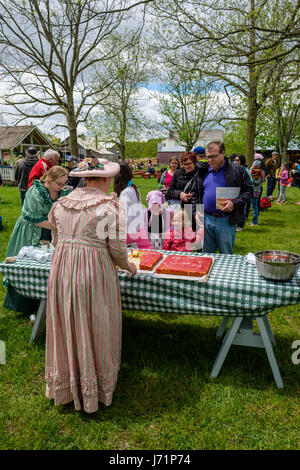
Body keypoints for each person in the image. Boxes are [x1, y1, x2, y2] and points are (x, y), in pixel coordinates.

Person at [45, 158, 137, 413]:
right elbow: (117, 249)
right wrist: (127, 265)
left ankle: (67, 384)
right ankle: (92, 386)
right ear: (107, 179)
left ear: (86, 179)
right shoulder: (110, 205)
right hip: (93, 270)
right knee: (96, 321)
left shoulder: (61, 203)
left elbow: (55, 239)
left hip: (62, 268)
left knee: (68, 320)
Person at [4, 166, 69, 314]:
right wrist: (59, 227)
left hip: (48, 229)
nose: (61, 187)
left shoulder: (61, 192)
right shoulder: (35, 192)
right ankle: (24, 306)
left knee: (46, 263)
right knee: (27, 263)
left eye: (64, 183)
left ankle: (45, 303)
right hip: (31, 230)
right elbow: (35, 220)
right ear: (49, 180)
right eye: (59, 183)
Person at [191, 141, 253, 254]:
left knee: (226, 254)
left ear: (223, 153)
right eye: (208, 157)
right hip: (206, 219)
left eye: (214, 156)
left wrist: (234, 203)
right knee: (207, 255)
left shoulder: (237, 170)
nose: (210, 160)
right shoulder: (202, 172)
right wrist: (196, 212)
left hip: (226, 220)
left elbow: (248, 191)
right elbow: (195, 193)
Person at [114, 162, 152, 249]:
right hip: (138, 229)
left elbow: (125, 217)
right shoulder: (134, 188)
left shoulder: (125, 193)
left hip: (130, 233)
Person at [166, 151, 198, 215]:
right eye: (184, 164)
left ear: (194, 162)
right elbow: (170, 191)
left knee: (197, 224)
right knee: (184, 224)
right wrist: (180, 194)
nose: (187, 166)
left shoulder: (200, 173)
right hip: (182, 207)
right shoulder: (177, 173)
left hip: (197, 207)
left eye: (189, 163)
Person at [235, 154, 253, 231]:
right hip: (235, 192)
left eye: (237, 160)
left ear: (241, 161)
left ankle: (240, 226)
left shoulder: (245, 170)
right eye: (235, 160)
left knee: (241, 209)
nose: (235, 161)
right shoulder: (235, 169)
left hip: (242, 192)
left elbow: (250, 181)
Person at [249, 160, 265, 225]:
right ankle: (253, 221)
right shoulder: (253, 171)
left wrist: (251, 181)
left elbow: (258, 182)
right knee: (253, 206)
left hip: (256, 190)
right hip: (252, 190)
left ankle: (255, 222)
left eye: (255, 165)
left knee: (254, 206)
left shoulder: (261, 172)